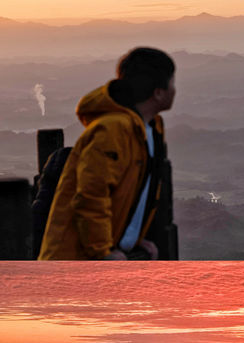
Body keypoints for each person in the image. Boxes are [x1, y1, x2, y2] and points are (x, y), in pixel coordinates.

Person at [39, 46, 175, 260]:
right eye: (172, 83)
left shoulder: (149, 128)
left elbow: (129, 194)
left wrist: (133, 240)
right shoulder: (112, 129)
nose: (175, 90)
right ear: (158, 92)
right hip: (75, 265)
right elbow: (91, 196)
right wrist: (103, 253)